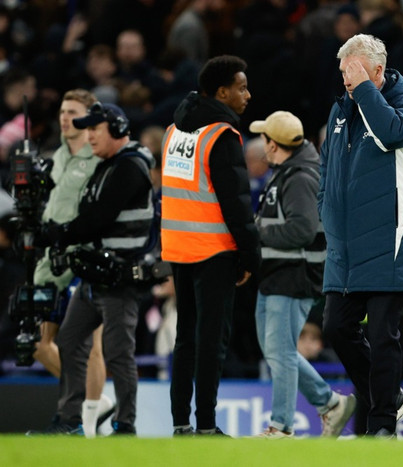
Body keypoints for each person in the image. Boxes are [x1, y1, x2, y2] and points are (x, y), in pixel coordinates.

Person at [318, 34, 403, 438]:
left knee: (382, 336)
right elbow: (327, 167)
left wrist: (364, 90)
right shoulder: (340, 109)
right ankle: (389, 396)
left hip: (390, 241)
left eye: (356, 70)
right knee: (336, 327)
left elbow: (393, 133)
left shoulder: (402, 102)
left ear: (378, 70)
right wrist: (326, 210)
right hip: (346, 246)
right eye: (344, 70)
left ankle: (382, 426)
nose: (347, 77)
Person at [33, 101, 155, 435]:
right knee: (69, 341)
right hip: (94, 276)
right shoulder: (106, 166)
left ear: (117, 128)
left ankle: (126, 425)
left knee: (118, 354)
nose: (89, 136)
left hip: (120, 277)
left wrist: (60, 233)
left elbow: (99, 217)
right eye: (86, 129)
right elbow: (89, 217)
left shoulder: (130, 166)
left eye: (95, 128)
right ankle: (71, 419)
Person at [161, 55, 260, 436]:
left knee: (185, 339)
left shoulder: (174, 132)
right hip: (213, 250)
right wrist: (249, 255)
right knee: (211, 341)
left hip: (178, 247)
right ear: (221, 93)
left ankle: (180, 424)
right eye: (241, 88)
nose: (247, 95)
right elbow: (236, 204)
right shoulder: (222, 136)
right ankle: (206, 426)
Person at [249, 110, 355, 438]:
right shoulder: (287, 172)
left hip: (294, 275)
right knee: (276, 350)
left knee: (280, 352)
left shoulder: (299, 178)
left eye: (264, 138)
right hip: (276, 273)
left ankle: (281, 427)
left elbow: (302, 230)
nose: (262, 145)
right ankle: (330, 404)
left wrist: (256, 232)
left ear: (273, 145)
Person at [32, 89, 114, 437]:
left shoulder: (99, 158)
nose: (65, 118)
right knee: (37, 345)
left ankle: (84, 421)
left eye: (73, 112)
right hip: (50, 261)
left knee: (90, 346)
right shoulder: (58, 155)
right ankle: (95, 402)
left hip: (84, 258)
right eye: (63, 112)